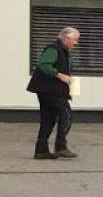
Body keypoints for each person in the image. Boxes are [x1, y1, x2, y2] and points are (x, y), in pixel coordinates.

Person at [26, 26, 80, 159]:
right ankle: (61, 146)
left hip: (47, 89)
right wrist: (59, 75)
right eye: (75, 40)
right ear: (66, 38)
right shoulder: (54, 49)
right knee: (66, 115)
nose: (76, 43)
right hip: (50, 90)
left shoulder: (64, 51)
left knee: (48, 119)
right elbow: (44, 64)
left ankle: (41, 150)